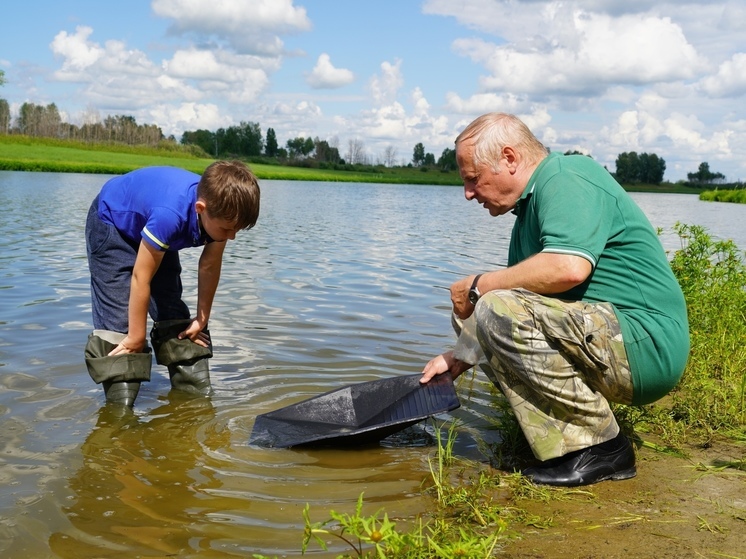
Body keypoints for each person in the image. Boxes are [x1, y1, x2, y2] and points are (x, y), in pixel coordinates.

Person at [420, 113, 689, 487]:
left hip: (646, 343)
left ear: (510, 159)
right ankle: (566, 439)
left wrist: (479, 286)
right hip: (611, 340)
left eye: (472, 179)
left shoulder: (566, 176)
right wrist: (457, 359)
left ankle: (602, 449)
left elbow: (568, 268)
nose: (468, 193)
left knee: (489, 303)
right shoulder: (528, 213)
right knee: (475, 313)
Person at [84, 160, 261, 407]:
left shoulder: (222, 211)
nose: (231, 236)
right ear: (201, 208)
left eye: (237, 230)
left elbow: (209, 266)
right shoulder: (171, 216)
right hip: (113, 223)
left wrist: (202, 318)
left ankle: (195, 397)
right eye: (228, 229)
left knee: (175, 314)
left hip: (154, 228)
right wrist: (136, 337)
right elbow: (140, 277)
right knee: (119, 328)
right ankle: (119, 417)